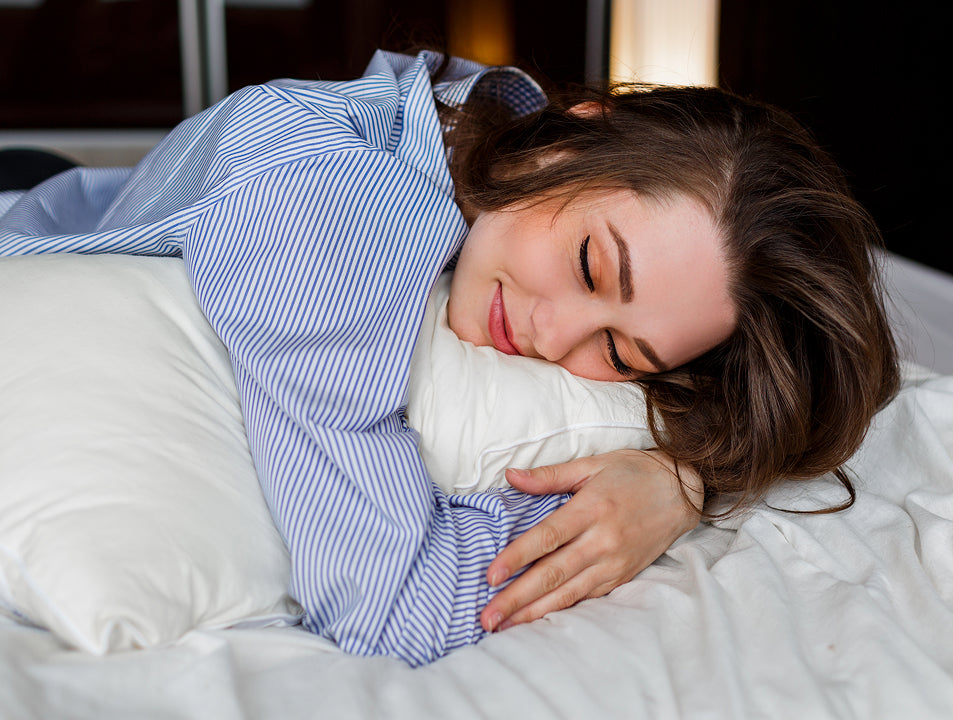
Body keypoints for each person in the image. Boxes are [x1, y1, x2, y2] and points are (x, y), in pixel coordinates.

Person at [0, 49, 899, 665]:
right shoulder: (325, 214)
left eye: (620, 349)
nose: (552, 334)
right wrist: (657, 506)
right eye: (591, 263)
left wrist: (686, 474)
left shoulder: (483, 138)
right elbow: (390, 609)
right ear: (566, 138)